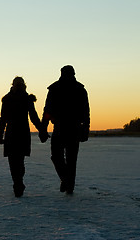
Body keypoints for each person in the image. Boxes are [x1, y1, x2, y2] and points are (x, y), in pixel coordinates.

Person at [39, 65, 90, 194]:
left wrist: (44, 128)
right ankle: (67, 182)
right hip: (68, 128)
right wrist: (43, 128)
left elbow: (47, 111)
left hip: (67, 128)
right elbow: (48, 111)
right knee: (65, 159)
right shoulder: (72, 89)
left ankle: (68, 184)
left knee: (63, 158)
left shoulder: (73, 89)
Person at [0, 77, 41, 197]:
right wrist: (41, 129)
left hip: (13, 133)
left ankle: (18, 184)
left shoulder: (14, 99)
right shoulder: (21, 99)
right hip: (20, 133)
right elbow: (34, 117)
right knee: (18, 161)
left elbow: (3, 119)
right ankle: (18, 183)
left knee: (14, 161)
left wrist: (0, 134)